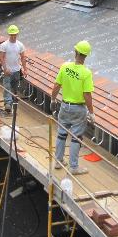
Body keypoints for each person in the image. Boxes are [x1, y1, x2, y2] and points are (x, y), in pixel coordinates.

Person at [51, 40, 94, 175]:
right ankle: (73, 167)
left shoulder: (65, 67)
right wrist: (91, 113)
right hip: (78, 109)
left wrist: (53, 99)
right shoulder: (86, 73)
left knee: (61, 134)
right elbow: (87, 94)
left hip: (64, 106)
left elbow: (57, 85)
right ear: (86, 56)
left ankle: (58, 161)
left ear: (75, 52)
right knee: (76, 138)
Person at [0, 25, 27, 113]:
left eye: (15, 34)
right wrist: (5, 68)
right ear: (9, 34)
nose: (13, 36)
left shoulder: (20, 45)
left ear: (17, 34)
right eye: (12, 35)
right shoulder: (4, 45)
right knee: (7, 87)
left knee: (14, 87)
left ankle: (12, 100)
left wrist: (25, 69)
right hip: (7, 71)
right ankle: (8, 103)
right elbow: (2, 58)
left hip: (16, 71)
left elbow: (23, 58)